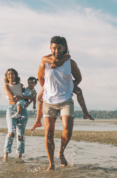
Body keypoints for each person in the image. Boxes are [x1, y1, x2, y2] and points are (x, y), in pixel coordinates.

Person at [31, 36, 91, 171]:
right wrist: (47, 88)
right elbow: (41, 78)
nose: (56, 50)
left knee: (67, 129)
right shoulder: (44, 64)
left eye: (59, 48)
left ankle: (61, 152)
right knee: (48, 133)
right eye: (54, 48)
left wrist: (70, 86)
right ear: (50, 48)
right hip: (49, 101)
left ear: (64, 48)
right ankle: (51, 164)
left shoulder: (71, 63)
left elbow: (79, 78)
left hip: (66, 100)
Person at [42, 51, 94, 120]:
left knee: (78, 91)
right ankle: (38, 119)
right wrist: (53, 62)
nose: (57, 51)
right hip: (52, 85)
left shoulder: (66, 57)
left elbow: (68, 56)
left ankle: (85, 112)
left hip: (66, 84)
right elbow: (43, 58)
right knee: (39, 97)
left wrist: (68, 88)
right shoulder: (50, 57)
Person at [3, 68, 33, 161]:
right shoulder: (6, 86)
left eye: (12, 74)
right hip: (11, 110)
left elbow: (29, 98)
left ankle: (19, 156)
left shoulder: (21, 86)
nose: (10, 76)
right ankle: (6, 155)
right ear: (7, 77)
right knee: (11, 133)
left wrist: (24, 98)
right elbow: (12, 97)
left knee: (20, 135)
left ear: (15, 75)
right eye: (8, 74)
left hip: (23, 110)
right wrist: (23, 98)